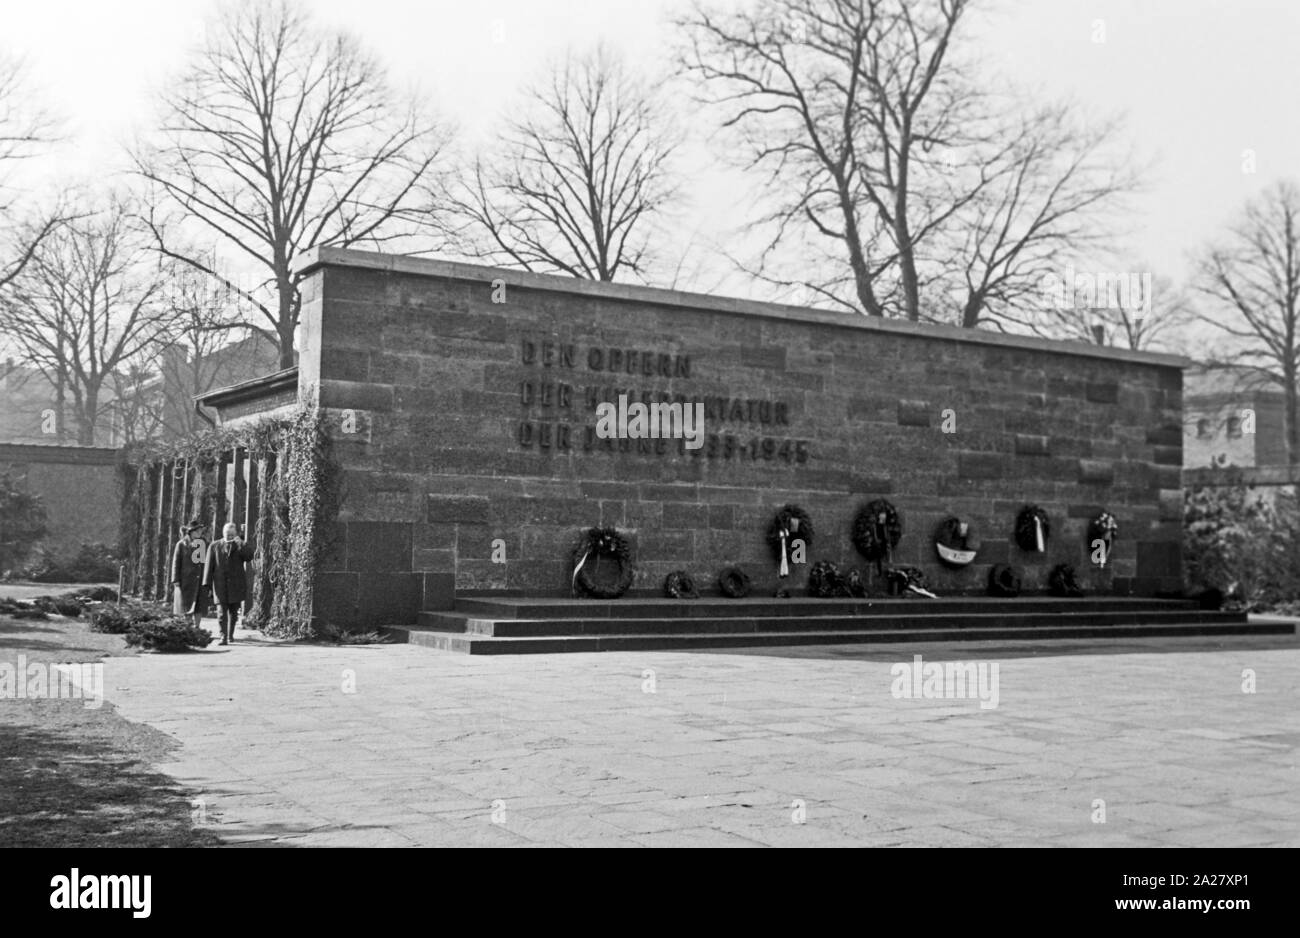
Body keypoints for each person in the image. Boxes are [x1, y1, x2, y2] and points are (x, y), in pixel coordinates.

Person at [203, 522, 255, 646]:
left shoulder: (239, 545)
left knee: (233, 612)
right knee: (221, 612)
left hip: (236, 584)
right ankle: (223, 637)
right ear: (223, 533)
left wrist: (241, 543)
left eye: (232, 534)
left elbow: (249, 557)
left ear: (235, 534)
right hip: (220, 585)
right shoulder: (214, 546)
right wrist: (207, 584)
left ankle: (230, 634)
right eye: (228, 534)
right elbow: (208, 566)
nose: (230, 536)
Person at [170, 519, 208, 628]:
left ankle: (197, 627)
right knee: (186, 604)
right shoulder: (181, 544)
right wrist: (175, 579)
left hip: (200, 579)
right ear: (191, 532)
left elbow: (208, 561)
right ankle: (187, 626)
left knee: (199, 605)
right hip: (186, 579)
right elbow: (176, 562)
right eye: (198, 531)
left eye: (201, 531)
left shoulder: (204, 543)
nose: (200, 533)